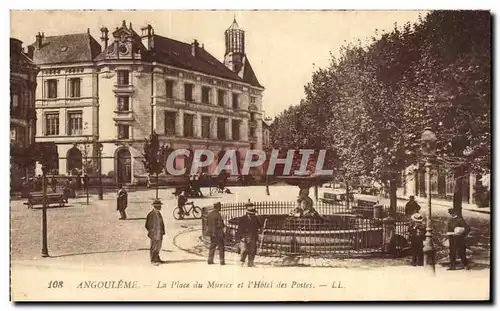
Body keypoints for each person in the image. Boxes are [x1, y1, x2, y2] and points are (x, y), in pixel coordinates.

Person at [237, 201, 262, 267]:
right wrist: (241, 237)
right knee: (244, 250)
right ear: (248, 213)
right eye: (251, 213)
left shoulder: (255, 218)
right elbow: (239, 229)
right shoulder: (243, 218)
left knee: (252, 250)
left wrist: (260, 225)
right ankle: (242, 262)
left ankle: (250, 262)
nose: (253, 214)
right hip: (245, 236)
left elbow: (259, 226)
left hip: (253, 236)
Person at [145, 200, 165, 266]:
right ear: (156, 206)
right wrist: (152, 231)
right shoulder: (151, 214)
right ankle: (153, 260)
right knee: (153, 247)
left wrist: (162, 232)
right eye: (160, 206)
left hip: (159, 233)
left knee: (158, 246)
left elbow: (161, 223)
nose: (161, 207)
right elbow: (147, 225)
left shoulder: (158, 213)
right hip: (154, 234)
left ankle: (157, 258)